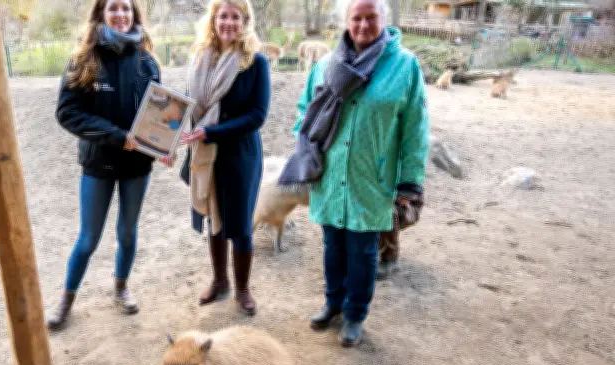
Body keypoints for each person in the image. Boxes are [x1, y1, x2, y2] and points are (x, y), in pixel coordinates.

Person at [277, 0, 430, 346]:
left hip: (371, 179)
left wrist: (410, 181)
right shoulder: (326, 64)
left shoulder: (404, 66)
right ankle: (333, 303)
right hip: (330, 175)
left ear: (384, 19)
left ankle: (355, 314)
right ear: (345, 21)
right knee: (332, 246)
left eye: (371, 17)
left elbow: (415, 128)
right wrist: (306, 146)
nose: (363, 25)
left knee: (362, 253)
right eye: (356, 18)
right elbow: (305, 110)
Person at [46, 0, 172, 330]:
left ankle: (121, 288)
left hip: (137, 166)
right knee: (88, 238)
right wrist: (117, 136)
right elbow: (67, 113)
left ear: (134, 14)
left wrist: (163, 146)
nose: (120, 14)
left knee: (127, 233)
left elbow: (157, 115)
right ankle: (66, 299)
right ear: (101, 13)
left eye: (126, 8)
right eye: (113, 8)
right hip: (98, 164)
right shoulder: (83, 59)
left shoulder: (147, 62)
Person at [178, 0, 270, 316]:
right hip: (205, 152)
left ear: (245, 21)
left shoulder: (254, 61)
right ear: (213, 20)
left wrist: (211, 132)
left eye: (235, 17)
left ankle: (242, 289)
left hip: (239, 155)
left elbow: (257, 115)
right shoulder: (200, 57)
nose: (228, 22)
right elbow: (187, 105)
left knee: (240, 224)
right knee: (213, 219)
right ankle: (220, 281)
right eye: (223, 16)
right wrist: (166, 142)